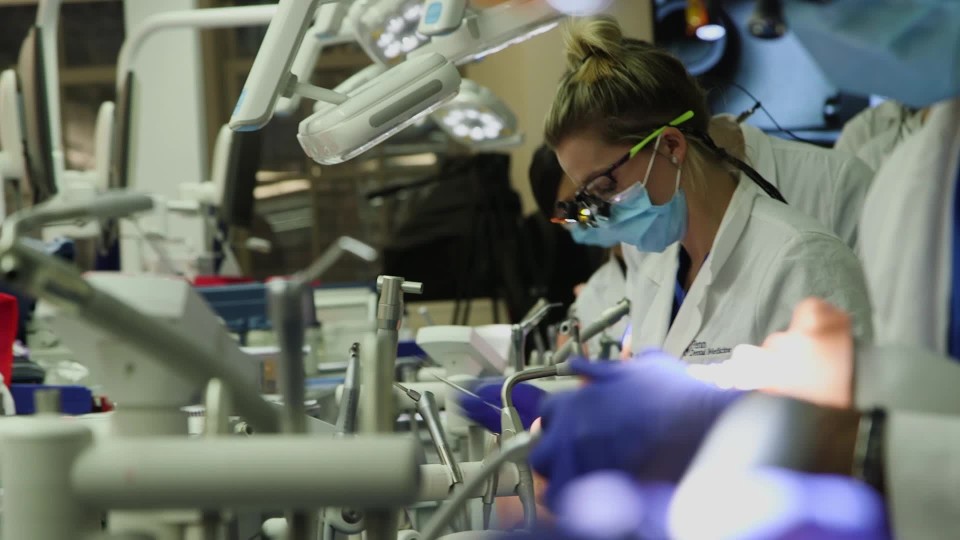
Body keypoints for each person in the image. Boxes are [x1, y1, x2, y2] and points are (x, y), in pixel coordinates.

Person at [546, 16, 872, 363]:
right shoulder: (657, 263)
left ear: (671, 146)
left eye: (604, 185)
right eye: (588, 198)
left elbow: (845, 409)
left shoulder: (799, 259)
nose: (601, 212)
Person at [530, 144, 628, 354]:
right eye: (568, 212)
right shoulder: (592, 296)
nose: (582, 215)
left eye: (580, 198)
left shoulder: (675, 250)